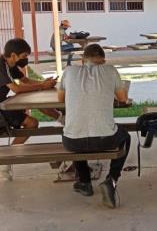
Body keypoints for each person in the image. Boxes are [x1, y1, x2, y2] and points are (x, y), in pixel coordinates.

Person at [58, 44, 131, 208]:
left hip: (73, 142)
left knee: (75, 130)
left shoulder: (69, 71)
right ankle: (111, 180)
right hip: (105, 139)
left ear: (82, 60)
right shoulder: (110, 71)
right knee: (126, 137)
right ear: (103, 61)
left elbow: (60, 98)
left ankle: (85, 182)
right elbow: (122, 99)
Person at [0, 39, 64, 177]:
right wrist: (42, 86)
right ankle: (6, 163)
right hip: (1, 108)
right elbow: (16, 88)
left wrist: (45, 83)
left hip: (4, 102)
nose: (25, 59)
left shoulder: (10, 65)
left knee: (37, 100)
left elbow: (26, 81)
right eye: (24, 56)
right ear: (13, 55)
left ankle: (64, 122)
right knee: (32, 123)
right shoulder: (1, 65)